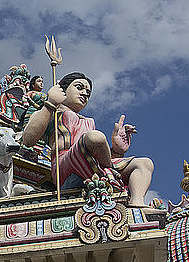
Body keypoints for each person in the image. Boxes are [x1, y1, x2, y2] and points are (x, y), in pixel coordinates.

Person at [23, 72, 156, 210]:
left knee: (144, 163)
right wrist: (50, 103)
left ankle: (137, 205)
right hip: (65, 164)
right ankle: (110, 175)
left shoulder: (87, 121)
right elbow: (28, 140)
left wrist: (116, 150)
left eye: (88, 92)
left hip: (92, 163)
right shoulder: (51, 112)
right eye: (79, 87)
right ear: (63, 89)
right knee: (94, 137)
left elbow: (94, 151)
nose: (85, 93)